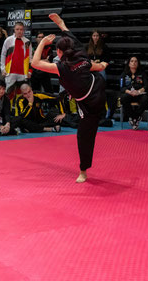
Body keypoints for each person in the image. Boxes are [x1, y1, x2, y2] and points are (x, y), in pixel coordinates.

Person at [32, 13, 108, 183]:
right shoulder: (80, 51)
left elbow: (35, 63)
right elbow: (90, 64)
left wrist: (42, 43)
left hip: (89, 102)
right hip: (98, 88)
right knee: (91, 71)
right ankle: (83, 170)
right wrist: (102, 65)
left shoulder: (62, 67)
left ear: (59, 52)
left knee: (84, 136)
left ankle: (83, 171)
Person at [1, 22, 32, 100]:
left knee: (21, 94)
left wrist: (30, 71)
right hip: (10, 72)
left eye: (21, 29)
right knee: (8, 93)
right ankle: (8, 108)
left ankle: (18, 108)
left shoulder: (27, 42)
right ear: (14, 30)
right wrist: (3, 69)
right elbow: (3, 55)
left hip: (23, 73)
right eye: (17, 29)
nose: (19, 31)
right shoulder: (8, 40)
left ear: (23, 30)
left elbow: (30, 58)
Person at [119, 56, 148, 130]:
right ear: (129, 63)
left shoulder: (142, 73)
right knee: (123, 98)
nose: (134, 63)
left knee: (146, 98)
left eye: (136, 61)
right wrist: (130, 92)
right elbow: (122, 87)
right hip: (129, 94)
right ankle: (134, 117)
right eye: (132, 61)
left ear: (138, 63)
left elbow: (146, 86)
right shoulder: (124, 74)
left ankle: (135, 117)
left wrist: (138, 92)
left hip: (139, 94)